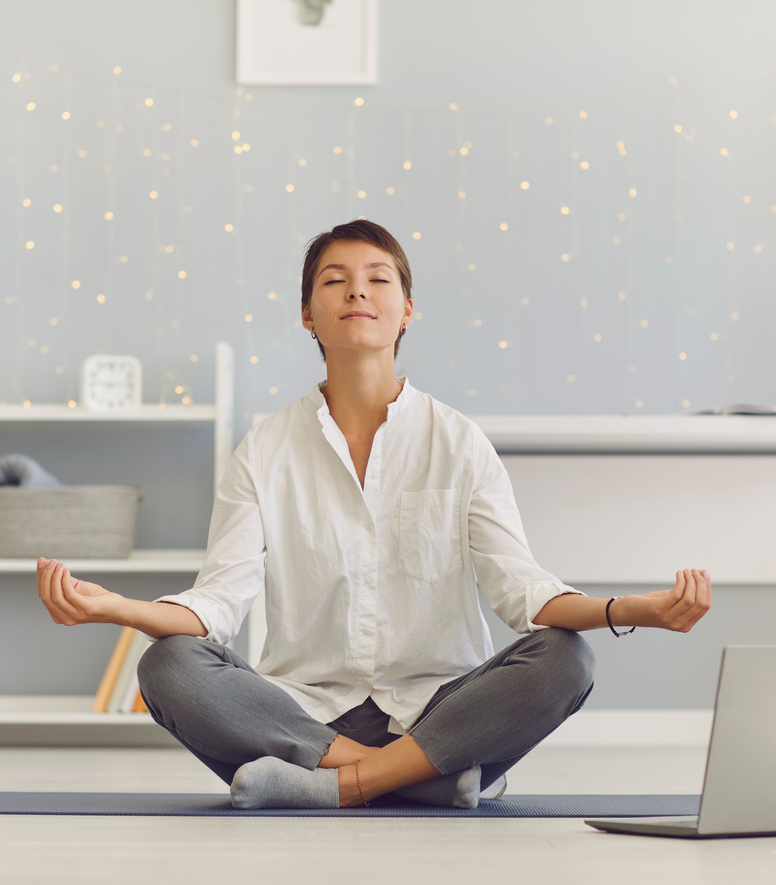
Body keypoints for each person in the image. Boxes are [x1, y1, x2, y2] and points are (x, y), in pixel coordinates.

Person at [36, 218, 712, 810]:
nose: (357, 290)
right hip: (303, 716)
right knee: (166, 667)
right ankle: (421, 781)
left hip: (442, 709)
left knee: (567, 658)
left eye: (378, 278)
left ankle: (330, 786)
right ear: (307, 314)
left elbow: (523, 591)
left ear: (407, 309)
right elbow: (217, 604)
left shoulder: (458, 441)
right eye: (334, 279)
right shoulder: (264, 448)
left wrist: (630, 609)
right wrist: (116, 607)